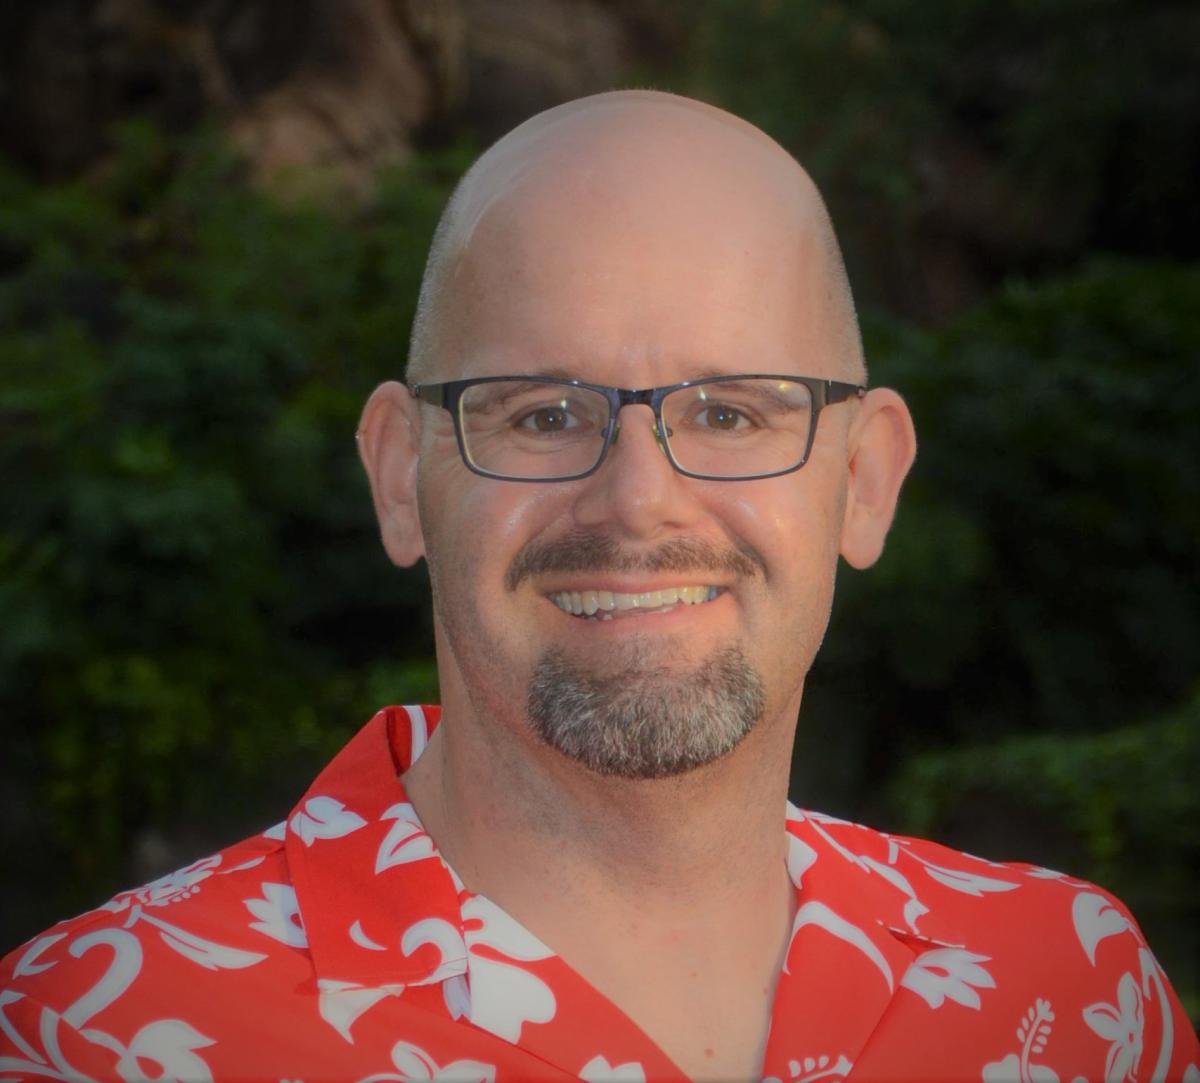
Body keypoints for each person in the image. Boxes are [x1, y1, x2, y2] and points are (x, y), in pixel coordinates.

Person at [1, 90, 1196, 1083]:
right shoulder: (88, 1038)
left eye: (731, 412)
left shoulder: (1076, 1000)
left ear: (866, 482)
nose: (638, 500)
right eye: (542, 413)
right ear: (401, 479)